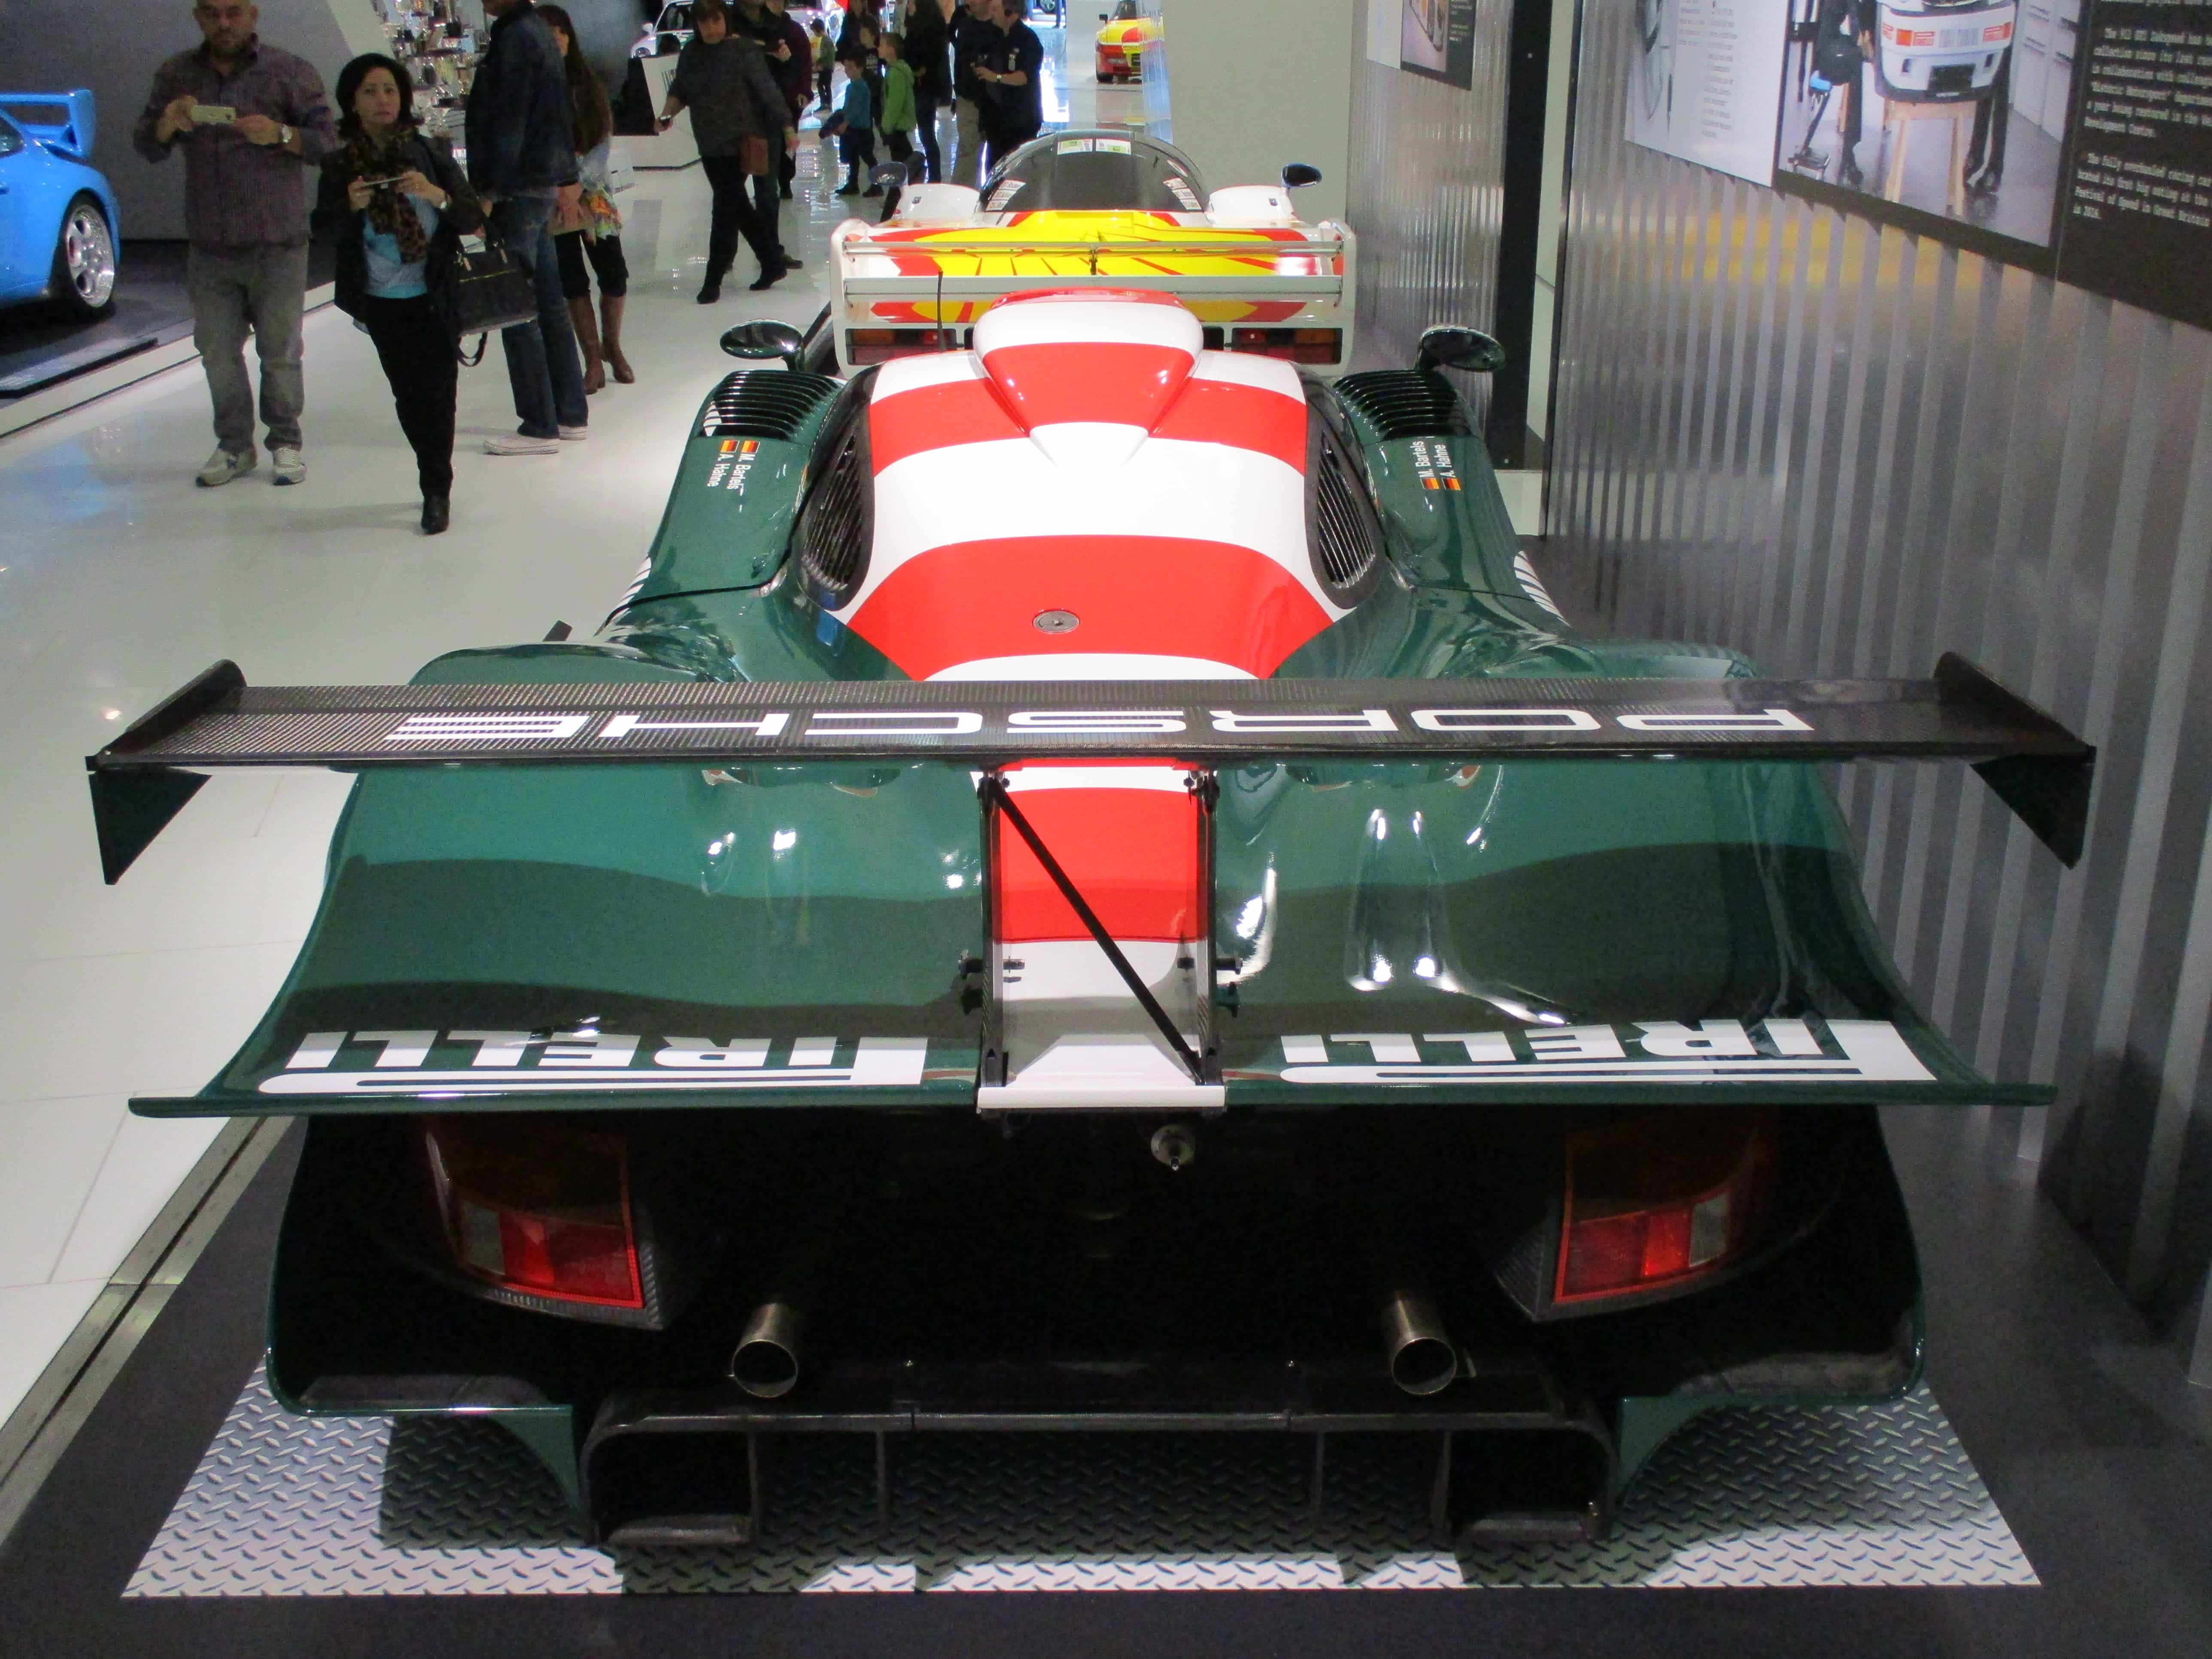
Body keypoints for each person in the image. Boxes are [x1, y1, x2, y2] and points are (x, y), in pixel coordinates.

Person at [134, 0, 337, 489]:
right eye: (212, 13)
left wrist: (281, 134)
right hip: (210, 244)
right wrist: (168, 123)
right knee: (217, 354)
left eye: (233, 12)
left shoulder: (289, 71)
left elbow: (328, 142)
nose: (223, 23)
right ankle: (234, 446)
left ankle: (285, 442)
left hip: (278, 241)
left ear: (253, 14)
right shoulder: (177, 74)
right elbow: (146, 144)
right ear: (198, 17)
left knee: (280, 351)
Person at [313, 54, 480, 534]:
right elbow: (324, 231)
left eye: (389, 90)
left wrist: (434, 194)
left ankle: (436, 488)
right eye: (369, 91)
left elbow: (470, 217)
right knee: (408, 395)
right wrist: (349, 206)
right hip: (381, 299)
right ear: (352, 103)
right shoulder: (340, 165)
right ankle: (431, 468)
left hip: (435, 292)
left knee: (440, 393)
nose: (382, 100)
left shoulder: (430, 152)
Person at [465, 0, 589, 455]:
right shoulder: (534, 32)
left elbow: (510, 120)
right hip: (537, 181)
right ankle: (569, 413)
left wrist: (491, 189)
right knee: (548, 301)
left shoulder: (516, 36)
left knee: (518, 304)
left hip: (518, 186)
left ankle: (539, 424)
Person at [660, 0, 793, 299]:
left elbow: (767, 90)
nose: (711, 29)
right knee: (738, 207)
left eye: (716, 21)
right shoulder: (691, 53)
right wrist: (667, 114)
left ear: (726, 20)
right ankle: (772, 262)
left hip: (740, 140)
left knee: (724, 208)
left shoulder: (742, 50)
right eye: (704, 23)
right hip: (708, 142)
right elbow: (681, 90)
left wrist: (788, 126)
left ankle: (713, 280)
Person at [538, 5, 634, 392]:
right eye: (546, 33)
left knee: (614, 274)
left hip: (593, 194)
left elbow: (602, 139)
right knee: (572, 280)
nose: (555, 39)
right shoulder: (528, 88)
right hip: (552, 198)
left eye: (560, 31)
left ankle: (613, 345)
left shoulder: (587, 83)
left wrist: (577, 183)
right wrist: (559, 188)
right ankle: (592, 359)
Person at [974, 0, 1042, 174]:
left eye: (996, 10)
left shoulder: (1028, 40)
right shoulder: (995, 38)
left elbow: (1024, 77)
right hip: (997, 122)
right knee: (994, 170)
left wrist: (996, 77)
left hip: (1021, 122)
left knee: (1020, 171)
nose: (992, 14)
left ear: (1010, 12)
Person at [902, 0, 951, 182]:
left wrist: (917, 71)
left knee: (927, 134)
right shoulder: (920, 27)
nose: (909, 6)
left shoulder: (928, 31)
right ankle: (933, 175)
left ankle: (934, 176)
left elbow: (928, 61)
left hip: (926, 87)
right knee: (926, 134)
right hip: (924, 86)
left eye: (912, 3)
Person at [949, 0, 996, 187]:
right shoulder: (966, 27)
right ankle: (963, 198)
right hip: (968, 100)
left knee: (998, 156)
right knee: (967, 153)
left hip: (996, 103)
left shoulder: (1000, 26)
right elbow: (961, 66)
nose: (969, 2)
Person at [830, 53, 878, 194]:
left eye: (851, 67)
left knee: (868, 157)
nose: (847, 71)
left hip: (861, 129)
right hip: (854, 128)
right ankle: (853, 184)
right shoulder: (852, 86)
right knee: (853, 157)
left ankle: (877, 185)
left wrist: (845, 123)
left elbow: (855, 109)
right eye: (846, 67)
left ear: (860, 69)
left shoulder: (860, 87)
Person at [876, 33, 917, 173]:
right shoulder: (895, 71)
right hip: (899, 126)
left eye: (882, 45)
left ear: (892, 50)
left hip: (897, 127)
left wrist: (887, 125)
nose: (878, 48)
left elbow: (895, 103)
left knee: (901, 169)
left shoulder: (896, 74)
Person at [811, 19, 836, 112]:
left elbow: (824, 55)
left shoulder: (825, 40)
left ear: (818, 30)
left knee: (821, 85)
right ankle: (828, 104)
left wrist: (817, 63)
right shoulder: (828, 39)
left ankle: (825, 104)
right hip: (829, 67)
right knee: (827, 85)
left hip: (826, 67)